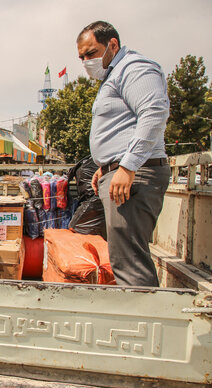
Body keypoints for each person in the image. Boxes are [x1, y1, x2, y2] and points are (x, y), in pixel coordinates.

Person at [77, 21, 171, 286]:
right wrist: (105, 166)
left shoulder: (135, 68)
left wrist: (127, 166)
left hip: (135, 174)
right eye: (82, 57)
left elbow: (153, 114)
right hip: (120, 171)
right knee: (123, 257)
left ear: (113, 45)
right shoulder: (114, 76)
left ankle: (144, 322)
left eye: (91, 53)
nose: (86, 61)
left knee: (129, 261)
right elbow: (123, 128)